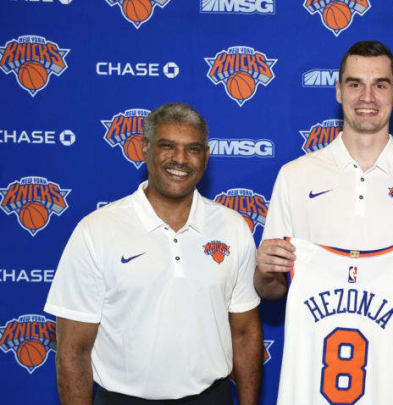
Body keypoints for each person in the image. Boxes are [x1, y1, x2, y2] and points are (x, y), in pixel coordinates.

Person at [255, 41, 393, 402]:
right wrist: (265, 272)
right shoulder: (295, 176)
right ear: (338, 91)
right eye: (355, 84)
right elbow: (271, 289)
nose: (367, 96)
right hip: (315, 384)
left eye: (380, 85)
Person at [44, 103, 263, 405]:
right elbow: (73, 350)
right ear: (144, 149)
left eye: (193, 149)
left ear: (206, 157)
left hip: (212, 397)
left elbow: (245, 333)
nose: (180, 159)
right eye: (167, 146)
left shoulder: (232, 227)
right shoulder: (96, 230)